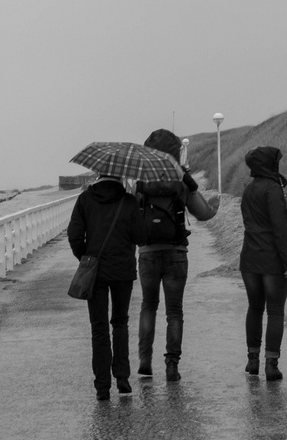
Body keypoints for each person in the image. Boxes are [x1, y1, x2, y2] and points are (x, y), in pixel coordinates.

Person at [135, 128, 220, 382]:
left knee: (148, 306)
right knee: (174, 311)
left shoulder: (140, 181)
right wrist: (213, 205)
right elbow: (203, 213)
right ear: (174, 152)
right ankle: (172, 365)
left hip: (147, 252)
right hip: (176, 253)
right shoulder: (181, 179)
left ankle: (144, 361)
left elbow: (130, 214)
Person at [67, 173, 143, 400]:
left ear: (98, 174)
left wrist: (86, 257)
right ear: (119, 175)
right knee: (120, 323)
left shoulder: (85, 200)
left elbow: (74, 235)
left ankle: (102, 387)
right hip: (122, 271)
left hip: (96, 272)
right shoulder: (128, 201)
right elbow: (141, 236)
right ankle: (122, 378)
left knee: (98, 327)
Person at [240, 146, 287, 380]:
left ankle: (253, 360)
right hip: (271, 260)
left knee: (254, 308)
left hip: (249, 258)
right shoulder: (273, 190)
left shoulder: (248, 190)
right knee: (275, 311)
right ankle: (271, 364)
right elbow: (280, 230)